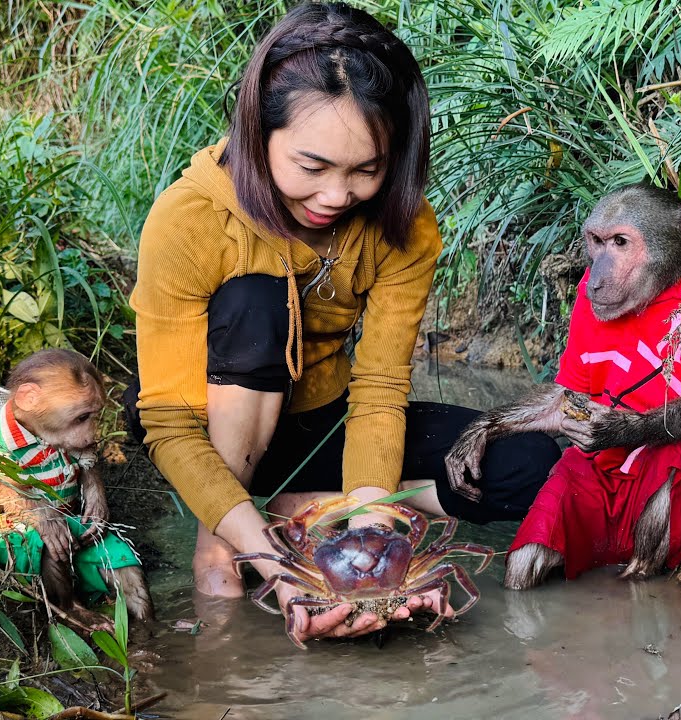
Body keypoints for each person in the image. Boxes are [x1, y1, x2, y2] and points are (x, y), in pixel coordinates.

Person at [126, 2, 558, 645]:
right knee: (254, 300)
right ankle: (220, 540)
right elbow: (164, 420)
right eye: (312, 167)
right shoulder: (188, 218)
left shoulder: (405, 227)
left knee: (533, 463)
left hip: (324, 425)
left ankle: (306, 513)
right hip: (212, 430)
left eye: (366, 170)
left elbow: (380, 390)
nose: (336, 196)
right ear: (256, 134)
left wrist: (372, 533)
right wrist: (273, 563)